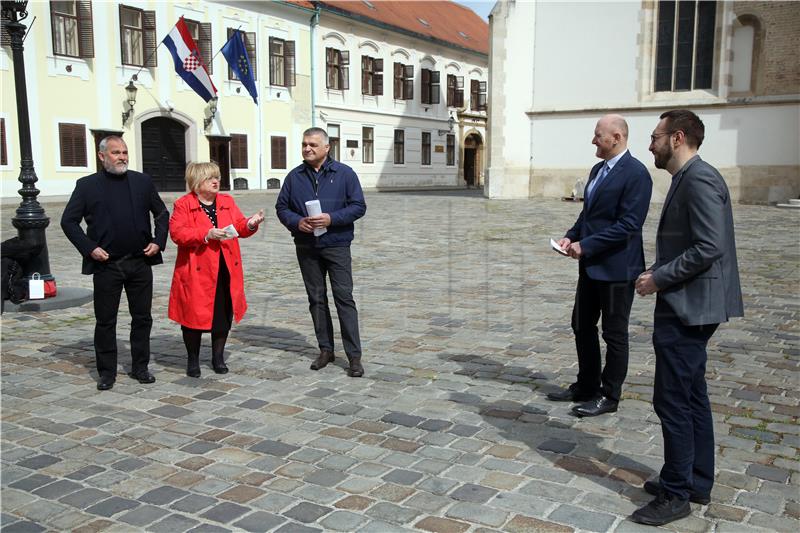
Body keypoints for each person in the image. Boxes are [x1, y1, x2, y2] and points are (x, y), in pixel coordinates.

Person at [632, 110, 743, 526]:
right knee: (691, 394)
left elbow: (708, 246)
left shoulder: (699, 178)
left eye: (655, 136)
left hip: (690, 306)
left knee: (672, 398)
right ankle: (696, 479)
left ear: (677, 138)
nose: (650, 144)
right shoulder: (689, 177)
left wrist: (658, 278)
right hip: (690, 302)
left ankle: (676, 493)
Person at [548, 114, 652, 417]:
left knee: (614, 333)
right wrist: (570, 238)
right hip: (592, 267)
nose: (593, 140)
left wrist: (587, 245)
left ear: (616, 137)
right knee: (581, 324)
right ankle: (586, 385)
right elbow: (588, 216)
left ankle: (609, 395)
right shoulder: (597, 170)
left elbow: (629, 225)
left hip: (619, 269)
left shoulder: (636, 174)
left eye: (598, 135)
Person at [61, 136, 168, 391]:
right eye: (115, 152)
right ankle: (107, 372)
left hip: (140, 261)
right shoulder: (87, 186)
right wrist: (90, 248)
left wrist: (158, 241)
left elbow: (162, 213)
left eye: (124, 152)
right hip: (107, 264)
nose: (122, 157)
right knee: (106, 320)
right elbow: (69, 221)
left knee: (142, 318)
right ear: (102, 156)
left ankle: (140, 367)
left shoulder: (142, 181)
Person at [276, 127, 367, 377]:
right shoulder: (294, 177)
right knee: (316, 299)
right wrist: (297, 222)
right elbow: (282, 207)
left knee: (343, 298)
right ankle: (325, 349)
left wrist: (332, 218)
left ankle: (354, 356)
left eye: (313, 145)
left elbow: (359, 206)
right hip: (306, 246)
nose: (307, 148)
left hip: (337, 244)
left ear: (327, 148)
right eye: (304, 144)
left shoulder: (345, 174)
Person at [168, 162, 265, 377]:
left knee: (222, 314)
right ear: (197, 182)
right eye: (210, 178)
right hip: (196, 270)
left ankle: (217, 357)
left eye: (217, 177)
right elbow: (177, 233)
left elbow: (239, 225)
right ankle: (193, 360)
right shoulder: (183, 204)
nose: (216, 181)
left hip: (225, 266)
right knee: (192, 316)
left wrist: (251, 223)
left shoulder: (226, 201)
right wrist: (206, 234)